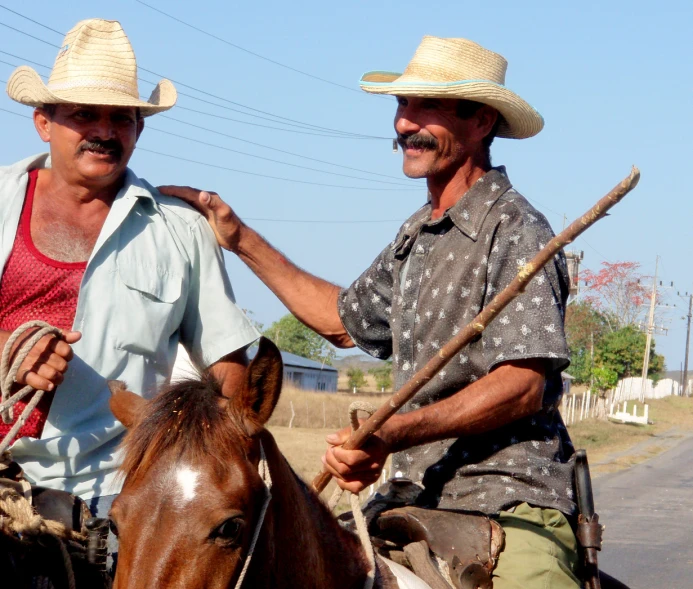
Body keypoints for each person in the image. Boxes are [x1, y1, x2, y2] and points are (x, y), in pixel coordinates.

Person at [162, 36, 580, 588]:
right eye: (401, 106)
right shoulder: (417, 235)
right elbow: (342, 321)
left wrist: (394, 433)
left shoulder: (517, 229)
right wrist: (239, 238)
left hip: (503, 496)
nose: (405, 123)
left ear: (481, 122)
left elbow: (523, 383)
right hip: (404, 495)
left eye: (425, 106)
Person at [0, 19, 259, 520]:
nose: (104, 131)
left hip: (115, 491)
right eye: (84, 115)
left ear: (139, 129)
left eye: (121, 118)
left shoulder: (179, 230)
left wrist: (232, 454)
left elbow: (227, 363)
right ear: (43, 122)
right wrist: (7, 347)